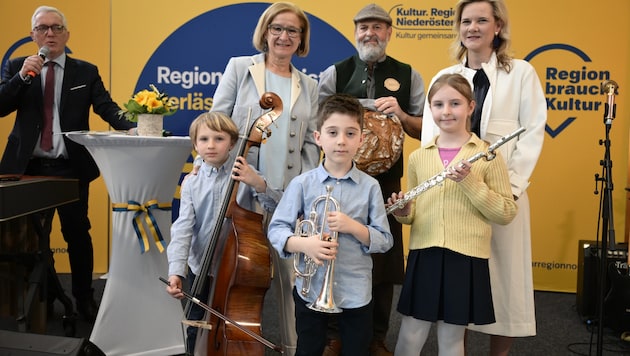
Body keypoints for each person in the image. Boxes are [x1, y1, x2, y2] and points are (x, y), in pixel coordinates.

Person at [420, 1, 547, 355]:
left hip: (502, 198)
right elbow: (429, 141)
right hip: (455, 197)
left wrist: (513, 190)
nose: (472, 27)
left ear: (498, 27)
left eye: (481, 20)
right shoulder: (442, 77)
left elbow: (532, 132)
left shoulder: (521, 73)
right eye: (466, 21)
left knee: (504, 284)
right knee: (458, 285)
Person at [0, 5, 135, 322]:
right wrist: (21, 78)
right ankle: (36, 302)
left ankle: (84, 299)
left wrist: (132, 126)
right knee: (26, 240)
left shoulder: (85, 71)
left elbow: (107, 107)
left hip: (70, 167)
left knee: (77, 234)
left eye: (57, 27)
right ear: (33, 35)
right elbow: (1, 105)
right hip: (25, 169)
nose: (50, 33)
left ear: (67, 34)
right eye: (43, 28)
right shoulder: (19, 66)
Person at [209, 2, 320, 355]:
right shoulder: (241, 69)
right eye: (278, 28)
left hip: (287, 199)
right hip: (241, 197)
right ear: (265, 32)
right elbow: (217, 124)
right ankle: (228, 347)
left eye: (293, 31)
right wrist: (207, 164)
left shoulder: (309, 86)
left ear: (301, 39)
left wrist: (300, 194)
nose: (284, 36)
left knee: (292, 285)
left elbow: (310, 147)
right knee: (234, 281)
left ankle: (292, 348)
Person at [317, 4, 425, 354]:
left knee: (382, 258)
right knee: (337, 250)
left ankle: (377, 336)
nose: (370, 34)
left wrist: (403, 115)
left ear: (389, 33)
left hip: (386, 184)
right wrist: (362, 105)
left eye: (378, 27)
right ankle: (334, 334)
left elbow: (426, 128)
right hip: (340, 178)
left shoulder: (409, 74)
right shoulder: (336, 72)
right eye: (364, 28)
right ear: (355, 33)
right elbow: (318, 122)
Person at [388, 73, 517, 356]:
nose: (446, 111)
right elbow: (413, 214)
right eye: (438, 104)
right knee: (410, 335)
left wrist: (468, 183)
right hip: (426, 253)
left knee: (451, 339)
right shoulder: (418, 157)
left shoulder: (486, 155)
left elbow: (506, 212)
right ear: (430, 109)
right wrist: (404, 211)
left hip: (466, 257)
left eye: (455, 103)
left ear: (470, 106)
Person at [268, 93, 393, 356]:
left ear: (361, 139)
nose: (341, 141)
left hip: (356, 289)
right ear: (318, 137)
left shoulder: (370, 187)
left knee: (356, 349)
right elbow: (277, 229)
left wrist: (353, 227)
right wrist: (305, 244)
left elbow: (384, 240)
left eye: (350, 133)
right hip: (311, 289)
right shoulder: (302, 184)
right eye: (333, 132)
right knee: (308, 348)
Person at [166, 112, 266, 354]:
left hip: (237, 267)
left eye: (219, 139)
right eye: (203, 139)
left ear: (232, 143)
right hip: (201, 266)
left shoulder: (245, 172)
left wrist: (258, 183)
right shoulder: (191, 182)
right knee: (196, 324)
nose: (210, 145)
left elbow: (279, 205)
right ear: (195, 144)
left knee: (236, 323)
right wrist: (176, 270)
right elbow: (183, 228)